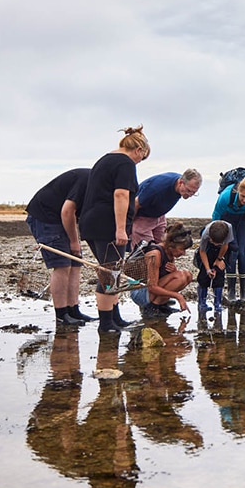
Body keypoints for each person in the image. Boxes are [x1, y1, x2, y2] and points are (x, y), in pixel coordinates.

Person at [83, 126, 151, 333]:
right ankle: (106, 325)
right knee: (109, 273)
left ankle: (115, 318)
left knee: (113, 271)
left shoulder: (106, 159)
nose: (140, 162)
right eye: (143, 157)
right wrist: (121, 229)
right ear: (138, 149)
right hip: (107, 226)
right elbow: (121, 195)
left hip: (92, 222)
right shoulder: (125, 163)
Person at [25, 168, 94, 325]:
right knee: (62, 265)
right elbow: (67, 212)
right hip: (45, 217)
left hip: (61, 219)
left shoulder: (98, 187)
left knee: (75, 264)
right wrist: (74, 241)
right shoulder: (87, 179)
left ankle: (73, 310)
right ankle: (62, 315)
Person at [211, 175, 245, 303]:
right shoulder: (226, 196)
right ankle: (231, 292)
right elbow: (216, 217)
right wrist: (216, 239)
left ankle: (244, 293)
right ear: (238, 192)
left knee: (241, 252)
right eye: (242, 196)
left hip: (244, 217)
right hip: (227, 217)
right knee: (232, 252)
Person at [128, 222, 195, 316]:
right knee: (180, 276)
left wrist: (174, 271)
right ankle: (152, 307)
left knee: (187, 275)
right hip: (141, 292)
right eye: (182, 249)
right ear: (171, 245)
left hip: (151, 290)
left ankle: (161, 305)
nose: (184, 253)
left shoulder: (170, 252)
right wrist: (178, 296)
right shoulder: (155, 254)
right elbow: (152, 287)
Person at [131, 169, 202, 248]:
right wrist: (127, 225)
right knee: (147, 251)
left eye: (194, 193)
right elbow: (136, 203)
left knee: (165, 247)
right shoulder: (157, 188)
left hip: (159, 216)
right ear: (181, 182)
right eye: (188, 190)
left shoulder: (182, 186)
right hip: (142, 217)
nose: (190, 195)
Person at [194, 220, 232, 313]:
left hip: (221, 252)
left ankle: (217, 303)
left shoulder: (229, 229)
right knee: (203, 277)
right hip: (206, 251)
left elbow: (226, 245)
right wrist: (207, 269)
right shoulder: (205, 234)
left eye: (218, 243)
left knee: (219, 275)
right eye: (214, 242)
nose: (215, 244)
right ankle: (202, 303)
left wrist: (219, 259)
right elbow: (202, 251)